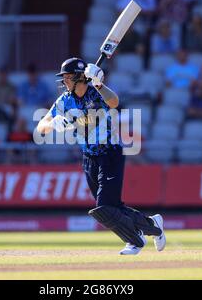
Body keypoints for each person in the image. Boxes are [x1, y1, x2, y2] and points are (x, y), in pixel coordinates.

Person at [37, 58, 166, 255]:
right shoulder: (64, 100)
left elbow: (114, 102)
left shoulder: (96, 93)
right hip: (89, 158)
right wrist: (54, 123)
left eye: (67, 78)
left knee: (104, 207)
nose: (64, 82)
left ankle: (135, 241)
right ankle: (152, 225)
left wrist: (98, 83)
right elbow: (40, 127)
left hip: (110, 152)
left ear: (80, 77)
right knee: (111, 208)